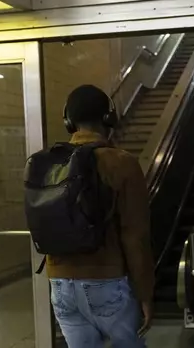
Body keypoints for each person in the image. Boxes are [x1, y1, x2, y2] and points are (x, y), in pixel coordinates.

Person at [48, 85, 154, 348]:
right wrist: (145, 294)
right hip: (106, 281)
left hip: (60, 284)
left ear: (68, 121)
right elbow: (135, 236)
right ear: (109, 118)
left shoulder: (49, 163)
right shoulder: (121, 162)